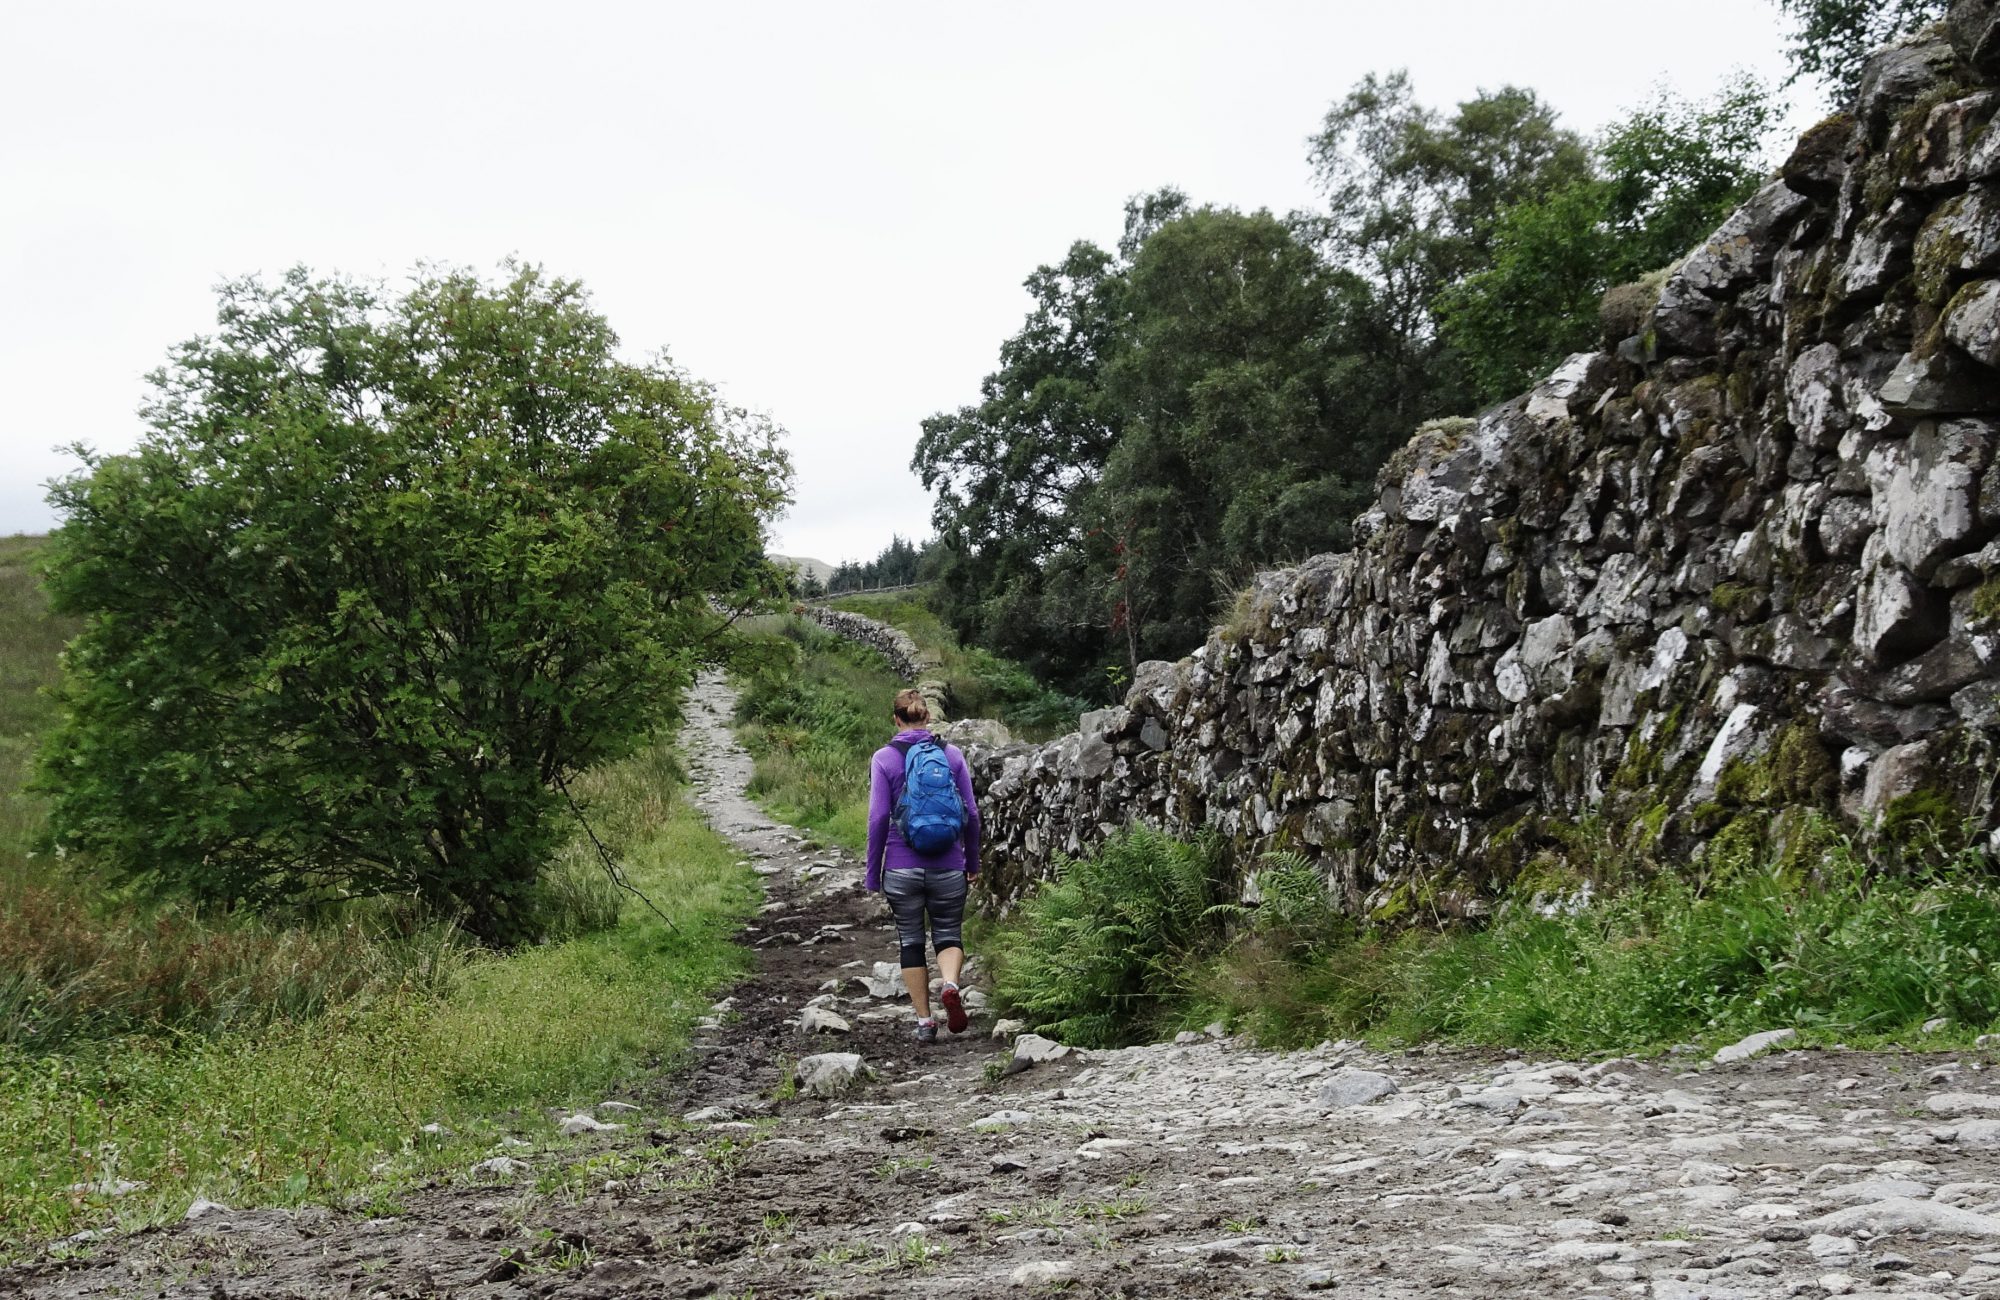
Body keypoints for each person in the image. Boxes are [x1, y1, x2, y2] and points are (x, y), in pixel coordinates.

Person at [864, 688, 981, 1045]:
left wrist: (873, 872)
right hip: (948, 863)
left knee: (911, 940)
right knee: (948, 932)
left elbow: (879, 817)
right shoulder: (952, 754)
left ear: (896, 719)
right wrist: (971, 861)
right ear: (928, 717)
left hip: (901, 866)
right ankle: (949, 984)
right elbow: (972, 814)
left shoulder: (884, 758)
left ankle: (925, 1022)